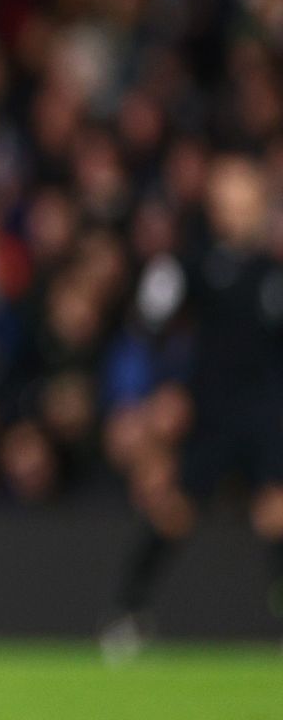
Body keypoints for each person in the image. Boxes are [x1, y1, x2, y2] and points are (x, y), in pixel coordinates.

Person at [104, 155, 283, 657]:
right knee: (176, 512)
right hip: (212, 412)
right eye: (228, 204)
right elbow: (147, 329)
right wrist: (149, 397)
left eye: (248, 204)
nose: (238, 214)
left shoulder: (273, 274)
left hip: (266, 413)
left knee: (276, 512)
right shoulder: (192, 266)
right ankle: (127, 610)